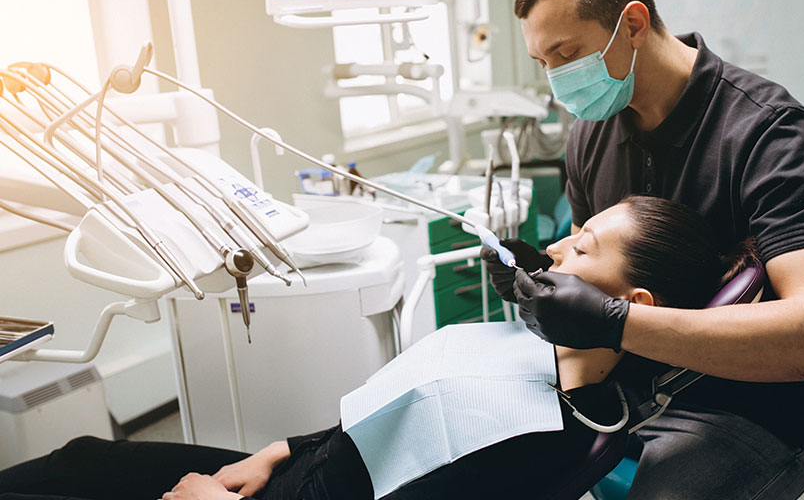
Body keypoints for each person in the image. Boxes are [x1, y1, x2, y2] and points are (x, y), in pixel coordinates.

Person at [1, 196, 756, 500]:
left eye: (583, 249)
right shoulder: (537, 357)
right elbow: (388, 425)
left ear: (630, 309)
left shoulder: (544, 436)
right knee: (79, 462)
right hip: (293, 475)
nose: (556, 250)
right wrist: (285, 446)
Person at [482, 0, 804, 498]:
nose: (558, 79)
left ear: (633, 23)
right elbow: (603, 284)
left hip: (751, 405)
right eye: (544, 61)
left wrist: (614, 321)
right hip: (630, 382)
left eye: (567, 55)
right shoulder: (590, 138)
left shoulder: (769, 135)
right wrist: (540, 289)